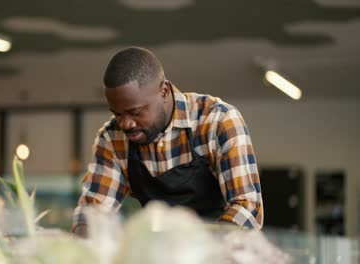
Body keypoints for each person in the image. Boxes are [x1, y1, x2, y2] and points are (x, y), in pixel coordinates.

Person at [72, 47, 263, 237]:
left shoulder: (218, 120)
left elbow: (247, 207)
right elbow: (93, 213)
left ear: (163, 91)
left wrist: (201, 253)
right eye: (117, 114)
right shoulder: (112, 138)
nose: (126, 124)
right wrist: (81, 241)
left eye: (135, 112)